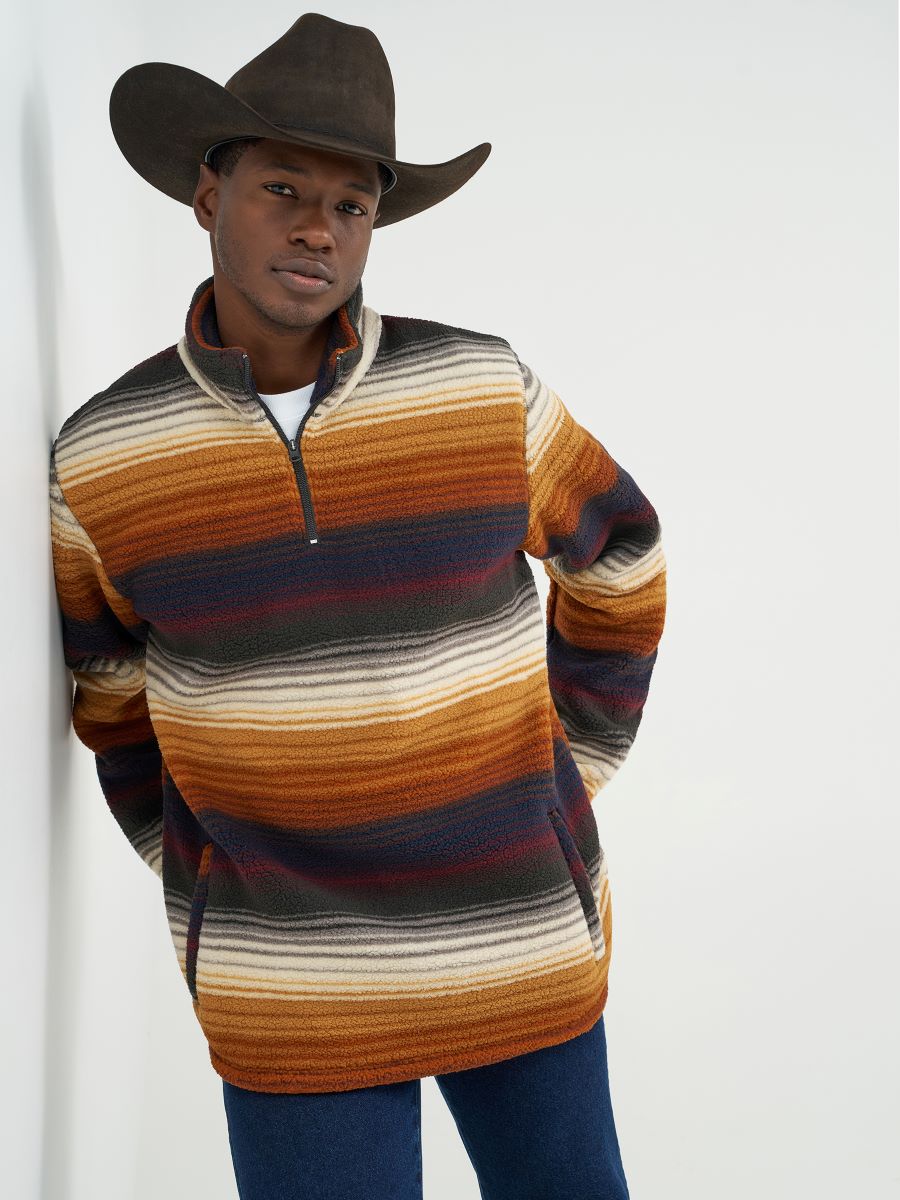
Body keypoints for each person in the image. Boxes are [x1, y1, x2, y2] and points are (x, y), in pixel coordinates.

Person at [48, 13, 667, 1199]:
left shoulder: (480, 385)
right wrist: (204, 870)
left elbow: (621, 557)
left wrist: (566, 768)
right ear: (206, 196)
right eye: (282, 188)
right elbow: (110, 691)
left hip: (516, 938)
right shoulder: (105, 455)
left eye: (351, 204)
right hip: (290, 987)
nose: (318, 228)